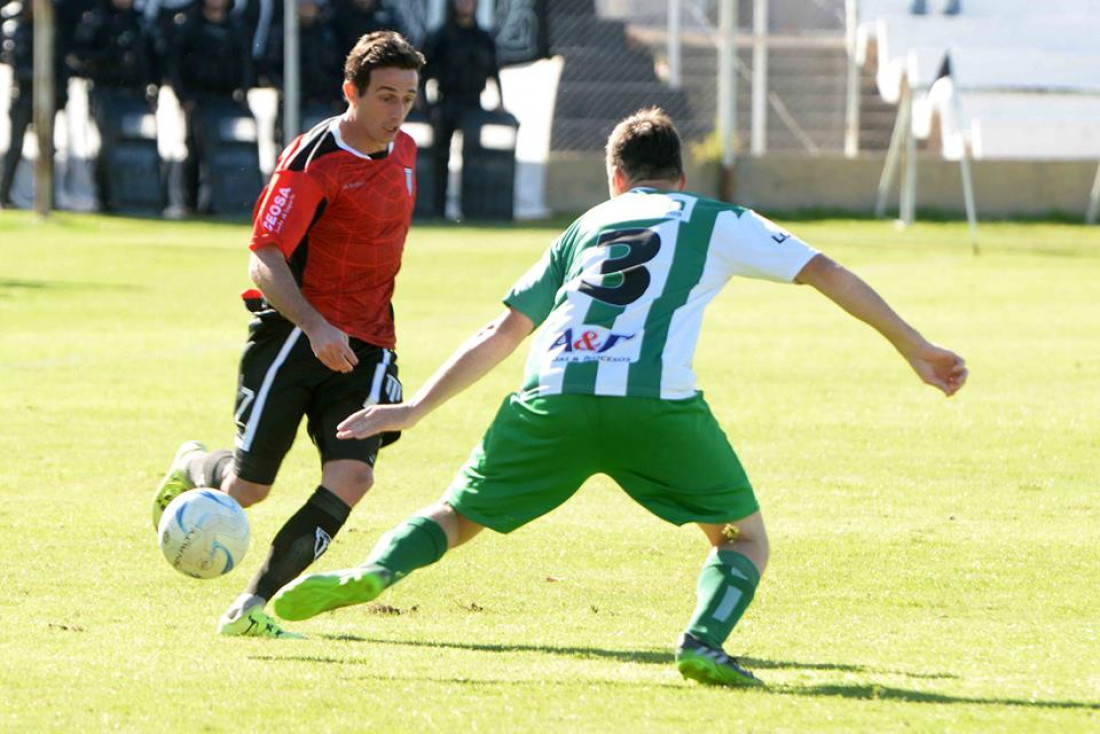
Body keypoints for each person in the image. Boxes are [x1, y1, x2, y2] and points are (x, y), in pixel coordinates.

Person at [270, 107, 969, 685]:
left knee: (455, 516)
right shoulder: (713, 217)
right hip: (654, 403)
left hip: (550, 395)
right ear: (682, 176)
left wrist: (416, 407)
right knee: (742, 537)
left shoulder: (586, 228)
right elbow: (827, 271)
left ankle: (375, 570)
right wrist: (915, 346)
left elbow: (503, 329)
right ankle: (702, 641)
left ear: (615, 178)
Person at [151, 30, 425, 638]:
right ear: (350, 91)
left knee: (353, 476)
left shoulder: (405, 151)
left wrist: (356, 330)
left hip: (368, 346)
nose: (398, 112)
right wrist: (316, 324)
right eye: (385, 96)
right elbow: (264, 256)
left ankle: (249, 609)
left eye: (408, 98)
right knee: (247, 490)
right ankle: (198, 465)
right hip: (294, 338)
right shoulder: (312, 159)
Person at [69, 0, 158, 211]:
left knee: (141, 146)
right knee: (108, 146)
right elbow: (79, 55)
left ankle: (141, 196)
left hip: (136, 93)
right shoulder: (96, 19)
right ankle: (107, 197)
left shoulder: (140, 21)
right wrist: (111, 57)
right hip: (106, 90)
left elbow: (152, 57)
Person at [169, 0, 255, 213]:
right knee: (195, 152)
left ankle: (229, 201)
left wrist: (243, 93)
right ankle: (191, 202)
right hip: (199, 99)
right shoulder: (189, 26)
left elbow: (244, 62)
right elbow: (175, 65)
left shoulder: (235, 27)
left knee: (232, 151)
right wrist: (184, 97)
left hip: (227, 99)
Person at [420, 0, 502, 219]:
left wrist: (500, 100)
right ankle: (437, 211)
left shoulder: (483, 37)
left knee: (473, 160)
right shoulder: (441, 35)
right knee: (440, 158)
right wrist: (428, 105)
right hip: (446, 102)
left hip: (473, 104)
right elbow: (424, 73)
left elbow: (494, 70)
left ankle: (471, 212)